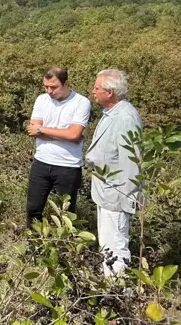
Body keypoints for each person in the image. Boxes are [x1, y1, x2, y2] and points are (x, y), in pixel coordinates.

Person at [86, 69, 142, 278]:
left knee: (115, 245)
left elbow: (132, 161)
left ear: (110, 92)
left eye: (97, 88)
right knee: (108, 244)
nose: (93, 91)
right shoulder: (113, 113)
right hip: (107, 191)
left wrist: (127, 198)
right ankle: (112, 291)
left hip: (117, 193)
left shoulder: (125, 117)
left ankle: (119, 295)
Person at [26, 67, 92, 227]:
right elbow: (32, 130)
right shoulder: (41, 100)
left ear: (66, 84)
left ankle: (65, 250)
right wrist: (66, 134)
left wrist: (42, 130)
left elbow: (74, 134)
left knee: (66, 214)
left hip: (68, 166)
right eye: (46, 86)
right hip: (41, 162)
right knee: (33, 209)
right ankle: (34, 246)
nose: (49, 91)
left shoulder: (81, 102)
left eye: (53, 87)